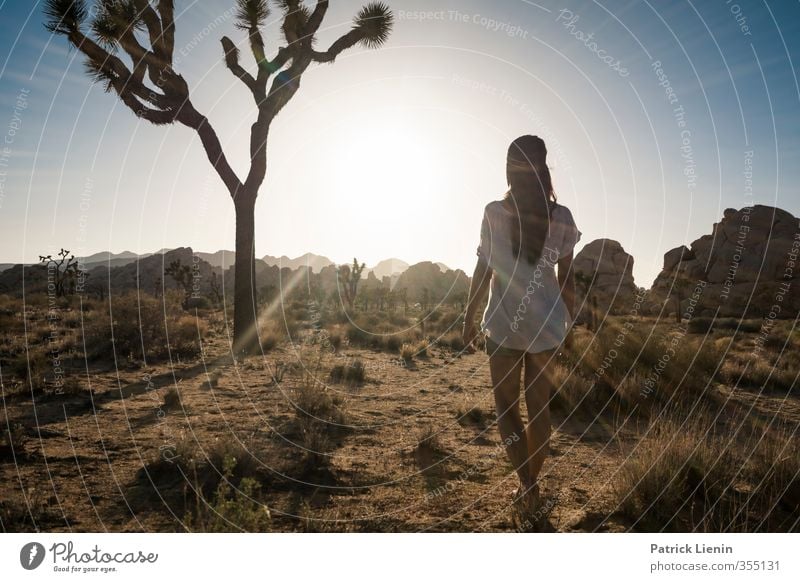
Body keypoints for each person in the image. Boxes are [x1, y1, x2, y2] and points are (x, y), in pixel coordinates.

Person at [462, 135, 581, 526]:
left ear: (509, 170)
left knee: (507, 409)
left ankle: (527, 486)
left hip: (502, 324)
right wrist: (574, 321)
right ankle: (532, 484)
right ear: (543, 169)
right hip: (547, 326)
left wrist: (468, 314)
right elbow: (567, 280)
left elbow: (484, 268)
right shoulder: (562, 217)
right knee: (539, 408)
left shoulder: (494, 212)